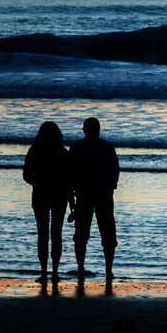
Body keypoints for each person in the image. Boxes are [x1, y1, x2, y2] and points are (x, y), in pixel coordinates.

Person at [69, 117, 120, 283]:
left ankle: (81, 268)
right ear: (99, 130)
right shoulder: (107, 146)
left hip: (83, 193)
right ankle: (108, 270)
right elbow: (115, 170)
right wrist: (111, 187)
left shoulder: (76, 147)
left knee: (81, 233)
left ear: (84, 130)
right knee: (108, 234)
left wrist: (72, 195)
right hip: (104, 193)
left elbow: (70, 172)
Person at [23, 121, 72, 284]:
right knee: (56, 233)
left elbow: (26, 175)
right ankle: (55, 272)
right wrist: (72, 200)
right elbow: (69, 180)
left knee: (42, 233)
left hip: (40, 195)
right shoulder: (63, 152)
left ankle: (44, 272)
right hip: (60, 195)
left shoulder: (34, 151)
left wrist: (37, 183)